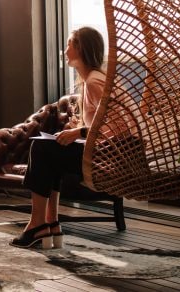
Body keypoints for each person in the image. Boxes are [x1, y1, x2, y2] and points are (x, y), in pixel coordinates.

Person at [10, 26, 106, 249]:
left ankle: (37, 225)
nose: (65, 49)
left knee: (41, 149)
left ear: (81, 49)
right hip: (100, 150)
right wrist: (78, 128)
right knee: (50, 148)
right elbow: (100, 123)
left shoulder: (94, 82)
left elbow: (118, 124)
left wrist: (79, 132)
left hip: (106, 156)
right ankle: (51, 223)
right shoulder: (92, 80)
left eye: (70, 44)